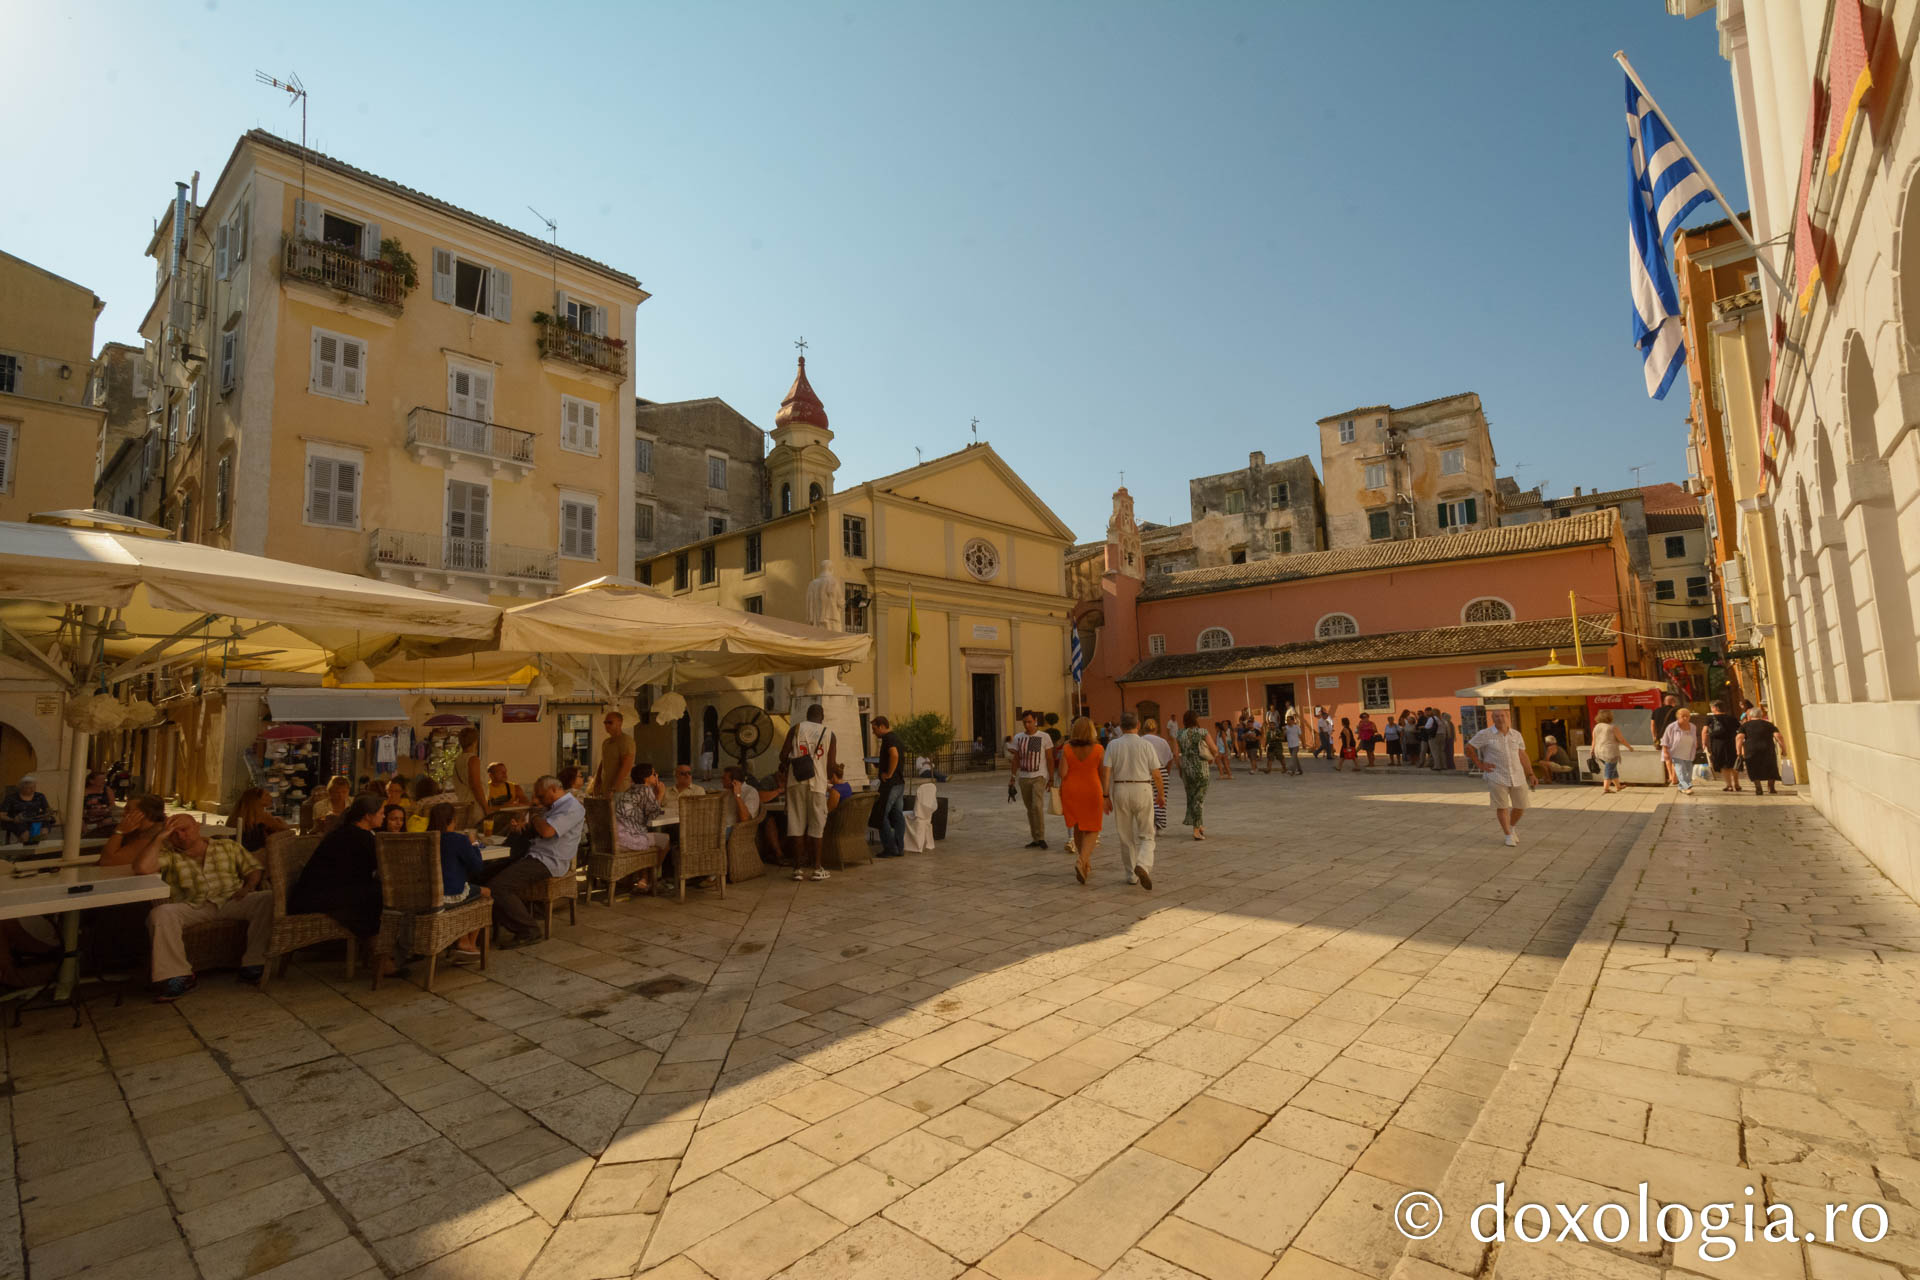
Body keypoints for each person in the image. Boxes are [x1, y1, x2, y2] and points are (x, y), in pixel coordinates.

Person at [136, 814, 277, 1000]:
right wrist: (160, 837)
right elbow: (142, 869)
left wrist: (249, 887)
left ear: (197, 827)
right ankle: (178, 976)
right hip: (192, 906)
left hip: (231, 900)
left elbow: (253, 868)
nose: (181, 836)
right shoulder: (168, 855)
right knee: (159, 914)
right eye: (174, 833)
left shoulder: (227, 846)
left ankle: (254, 963)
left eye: (185, 829)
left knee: (268, 898)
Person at [289, 796, 402, 972]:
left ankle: (381, 953)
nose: (384, 817)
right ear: (367, 816)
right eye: (381, 813)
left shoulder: (350, 832)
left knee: (377, 894)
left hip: (323, 891)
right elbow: (381, 867)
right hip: (318, 896)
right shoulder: (357, 837)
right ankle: (380, 956)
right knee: (379, 897)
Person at [475, 775, 583, 947]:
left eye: (541, 796)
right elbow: (537, 832)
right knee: (480, 875)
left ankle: (528, 930)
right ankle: (482, 929)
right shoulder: (551, 807)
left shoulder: (572, 807)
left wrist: (533, 817)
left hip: (549, 860)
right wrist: (520, 828)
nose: (537, 800)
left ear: (554, 790)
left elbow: (547, 831)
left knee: (498, 887)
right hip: (532, 853)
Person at [1104, 713, 1165, 891]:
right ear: (1138, 725)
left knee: (1125, 835)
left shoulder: (1113, 745)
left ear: (1121, 727)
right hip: (1143, 787)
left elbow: (1106, 772)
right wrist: (1160, 794)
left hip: (1121, 788)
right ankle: (1143, 864)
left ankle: (1131, 875)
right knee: (1147, 834)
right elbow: (1156, 773)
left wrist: (1105, 795)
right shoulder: (1146, 745)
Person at [424, 802, 490, 961]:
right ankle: (468, 945)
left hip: (427, 894)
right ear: (452, 820)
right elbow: (477, 866)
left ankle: (462, 940)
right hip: (449, 895)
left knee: (468, 889)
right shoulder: (458, 839)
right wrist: (473, 843)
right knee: (485, 893)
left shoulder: (425, 838)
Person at [779, 704, 837, 882]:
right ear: (822, 716)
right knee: (817, 826)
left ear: (807, 715)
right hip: (818, 784)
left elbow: (783, 755)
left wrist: (793, 761)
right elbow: (830, 765)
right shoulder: (829, 733)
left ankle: (797, 869)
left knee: (796, 824)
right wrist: (832, 774)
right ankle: (817, 868)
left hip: (795, 782)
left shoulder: (796, 729)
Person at [1465, 706, 1534, 848]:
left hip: (1517, 775)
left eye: (1502, 715)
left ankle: (1512, 827)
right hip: (1496, 776)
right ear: (1492, 718)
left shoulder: (1516, 735)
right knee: (1502, 806)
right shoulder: (1485, 734)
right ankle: (1508, 835)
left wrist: (1531, 773)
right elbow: (1469, 747)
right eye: (1496, 716)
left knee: (1520, 806)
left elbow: (1522, 755)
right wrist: (1480, 764)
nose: (1500, 718)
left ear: (1507, 717)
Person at [1057, 717, 1107, 885]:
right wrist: (1106, 794)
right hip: (1092, 789)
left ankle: (1085, 862)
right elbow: (1103, 774)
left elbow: (1062, 773)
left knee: (1078, 826)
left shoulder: (1066, 748)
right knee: (1093, 828)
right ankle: (1081, 860)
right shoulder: (1099, 749)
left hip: (1071, 790)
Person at [612, 763, 670, 894]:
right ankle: (652, 877)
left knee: (648, 838)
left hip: (616, 837)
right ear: (646, 778)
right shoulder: (645, 790)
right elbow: (653, 815)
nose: (657, 776)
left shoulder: (630, 789)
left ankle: (643, 878)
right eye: (654, 774)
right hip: (628, 839)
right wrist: (660, 794)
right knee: (665, 840)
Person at [1007, 710, 1054, 850]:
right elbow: (1016, 759)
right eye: (1025, 722)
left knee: (1037, 806)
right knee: (1030, 809)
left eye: (1029, 722)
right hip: (1024, 778)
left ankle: (1041, 837)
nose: (1027, 725)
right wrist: (1013, 777)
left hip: (1039, 776)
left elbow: (1050, 758)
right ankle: (1035, 837)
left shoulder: (1044, 737)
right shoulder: (1018, 738)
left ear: (1035, 721)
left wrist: (1051, 778)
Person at [1172, 708, 1214, 841]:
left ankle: (1199, 825)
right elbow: (1214, 748)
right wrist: (1213, 756)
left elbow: (1175, 754)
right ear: (1196, 720)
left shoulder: (1179, 734)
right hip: (1201, 769)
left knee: (1191, 798)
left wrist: (1180, 768)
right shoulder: (1202, 732)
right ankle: (1196, 830)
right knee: (1199, 799)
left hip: (1186, 770)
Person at [871, 714, 907, 859]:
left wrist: (889, 773)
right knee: (897, 815)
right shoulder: (896, 737)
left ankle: (890, 848)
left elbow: (895, 755)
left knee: (881, 815)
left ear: (881, 726)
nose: (873, 733)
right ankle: (899, 847)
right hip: (899, 783)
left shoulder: (888, 738)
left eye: (874, 729)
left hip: (891, 784)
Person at [1737, 705, 1786, 796]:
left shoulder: (1745, 726)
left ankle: (1758, 787)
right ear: (1761, 715)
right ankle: (1771, 787)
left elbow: (1739, 738)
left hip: (1751, 750)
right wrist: (1783, 748)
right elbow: (1778, 736)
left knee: (1753, 767)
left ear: (1750, 716)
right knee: (1771, 767)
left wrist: (1738, 751)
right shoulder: (1768, 724)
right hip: (1767, 749)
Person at [228, 787, 290, 853]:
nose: (270, 797)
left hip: (237, 851)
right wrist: (279, 819)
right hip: (255, 853)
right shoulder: (261, 815)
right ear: (256, 800)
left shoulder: (238, 814)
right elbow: (284, 829)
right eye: (266, 795)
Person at [1701, 700, 1743, 792]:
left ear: (1715, 708)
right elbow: (1740, 730)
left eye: (1712, 707)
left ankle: (1729, 785)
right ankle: (1737, 784)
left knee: (1724, 765)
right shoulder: (1732, 718)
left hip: (1718, 744)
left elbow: (1704, 731)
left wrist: (1704, 743)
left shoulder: (1710, 719)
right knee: (1733, 763)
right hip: (1732, 743)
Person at [2, 775, 55, 845]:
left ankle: (37, 851)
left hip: (36, 819)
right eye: (29, 788)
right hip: (19, 820)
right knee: (25, 835)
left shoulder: (39, 796)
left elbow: (47, 809)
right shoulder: (11, 798)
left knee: (43, 832)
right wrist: (13, 819)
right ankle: (25, 851)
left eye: (34, 787)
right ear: (21, 788)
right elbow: (2, 815)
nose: (33, 790)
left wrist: (48, 814)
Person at [1142, 716, 1174, 830]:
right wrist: (1167, 772)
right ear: (1156, 728)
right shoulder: (1162, 741)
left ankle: (1151, 822)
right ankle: (1159, 824)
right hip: (1161, 771)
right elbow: (1170, 759)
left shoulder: (1141, 741)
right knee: (1161, 799)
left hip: (1144, 773)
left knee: (1147, 800)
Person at [1660, 705, 1701, 795]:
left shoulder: (1693, 726)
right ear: (1678, 716)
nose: (1685, 718)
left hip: (1688, 752)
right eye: (1683, 716)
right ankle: (1687, 787)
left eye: (1687, 716)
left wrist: (1696, 744)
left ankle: (1681, 787)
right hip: (1676, 752)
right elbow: (1665, 740)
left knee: (1688, 770)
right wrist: (1666, 751)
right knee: (1680, 769)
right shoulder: (1672, 727)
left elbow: (1694, 737)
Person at [1591, 709, 1634, 794]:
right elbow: (1621, 739)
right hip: (1610, 752)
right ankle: (1606, 788)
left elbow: (1594, 740)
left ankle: (1618, 786)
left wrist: (1592, 750)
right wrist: (1629, 747)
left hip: (1599, 752)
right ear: (1609, 717)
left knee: (1612, 769)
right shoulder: (1612, 727)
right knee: (1609, 770)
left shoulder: (1597, 727)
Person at [450, 727, 485, 827]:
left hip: (463, 805)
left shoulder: (458, 760)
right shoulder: (473, 759)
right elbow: (476, 786)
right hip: (475, 807)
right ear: (475, 742)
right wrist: (486, 807)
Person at [593, 712, 635, 796]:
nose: (607, 725)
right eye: (605, 722)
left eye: (610, 722)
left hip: (620, 790)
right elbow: (603, 763)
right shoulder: (606, 742)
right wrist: (597, 782)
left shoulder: (626, 741)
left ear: (620, 722)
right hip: (606, 789)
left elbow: (627, 765)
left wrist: (614, 788)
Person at [82, 771, 118, 836]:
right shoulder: (83, 791)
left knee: (108, 822)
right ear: (91, 781)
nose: (104, 781)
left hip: (103, 815)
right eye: (101, 780)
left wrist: (107, 810)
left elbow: (112, 804)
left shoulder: (107, 790)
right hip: (87, 816)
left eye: (104, 779)